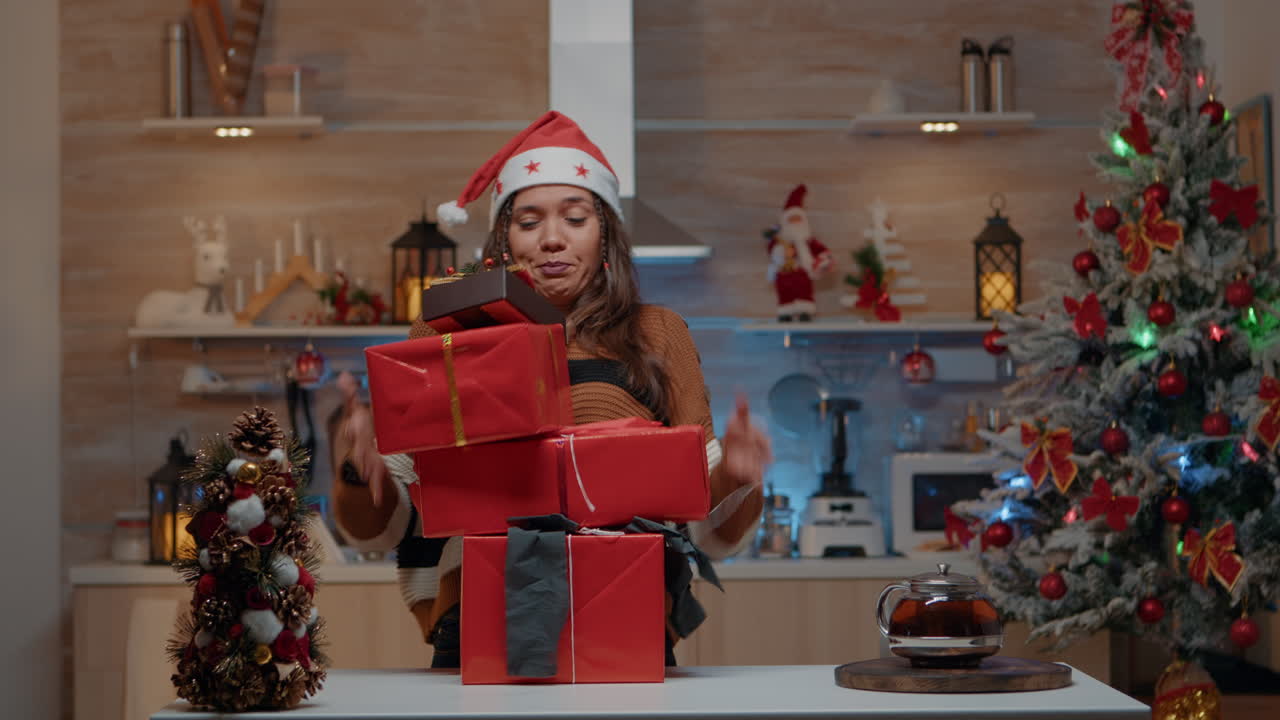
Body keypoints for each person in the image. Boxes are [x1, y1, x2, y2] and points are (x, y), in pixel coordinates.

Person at [332, 111, 772, 668]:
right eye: (529, 221)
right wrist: (360, 472)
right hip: (477, 619)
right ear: (504, 237)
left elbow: (710, 536)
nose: (552, 240)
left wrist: (734, 474)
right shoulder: (444, 335)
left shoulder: (658, 334)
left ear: (605, 231)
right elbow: (380, 530)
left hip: (625, 610)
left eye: (575, 217)